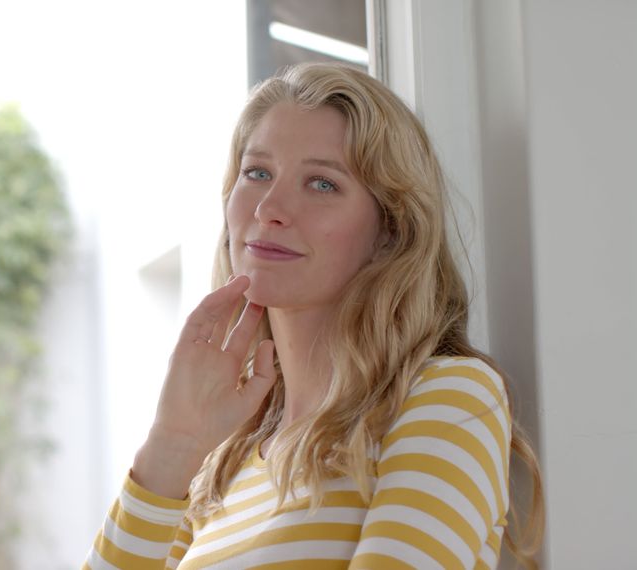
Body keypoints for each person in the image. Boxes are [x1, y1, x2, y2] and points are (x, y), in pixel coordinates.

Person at [83, 63, 544, 569]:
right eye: (257, 172)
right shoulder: (220, 465)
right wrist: (173, 444)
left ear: (391, 230)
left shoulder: (449, 397)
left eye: (321, 184)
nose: (270, 208)